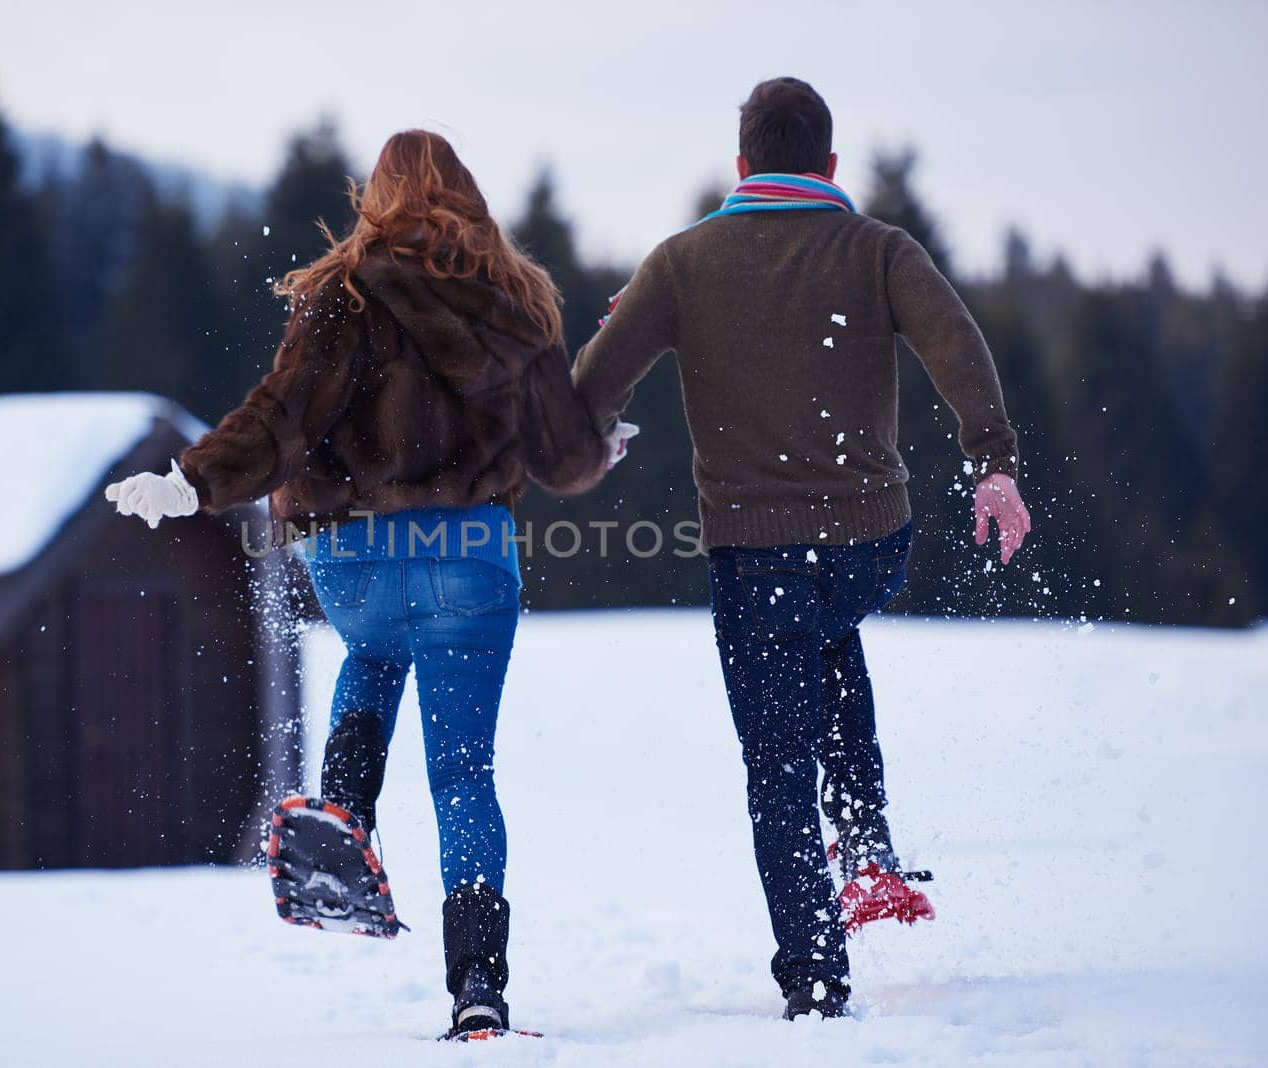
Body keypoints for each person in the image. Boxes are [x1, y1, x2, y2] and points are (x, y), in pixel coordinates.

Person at [103, 129, 625, 1038]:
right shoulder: (513, 303)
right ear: (467, 194)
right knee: (464, 776)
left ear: (374, 197)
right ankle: (478, 990)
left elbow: (282, 419)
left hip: (349, 556)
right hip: (468, 556)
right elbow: (563, 457)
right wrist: (598, 449)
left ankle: (341, 807)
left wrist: (191, 479)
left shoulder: (341, 295)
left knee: (375, 652)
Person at [571, 77, 1032, 1020]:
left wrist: (599, 434)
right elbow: (957, 343)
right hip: (873, 542)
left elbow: (592, 380)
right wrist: (993, 463)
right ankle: (865, 850)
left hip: (755, 551)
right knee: (826, 626)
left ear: (741, 164)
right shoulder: (878, 251)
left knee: (777, 759)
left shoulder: (682, 263)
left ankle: (816, 974)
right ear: (828, 166)